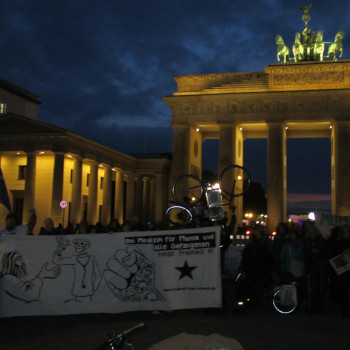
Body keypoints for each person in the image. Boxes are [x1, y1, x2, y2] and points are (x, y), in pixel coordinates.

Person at [303, 221, 328, 314]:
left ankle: (320, 307)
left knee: (320, 287)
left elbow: (325, 252)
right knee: (313, 287)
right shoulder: (307, 240)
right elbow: (306, 255)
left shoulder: (320, 239)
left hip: (320, 266)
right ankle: (314, 306)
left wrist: (318, 252)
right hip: (312, 266)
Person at [331, 224, 350, 316]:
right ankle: (344, 310)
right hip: (343, 270)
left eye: (346, 231)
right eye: (343, 232)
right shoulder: (338, 243)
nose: (345, 233)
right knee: (343, 290)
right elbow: (334, 254)